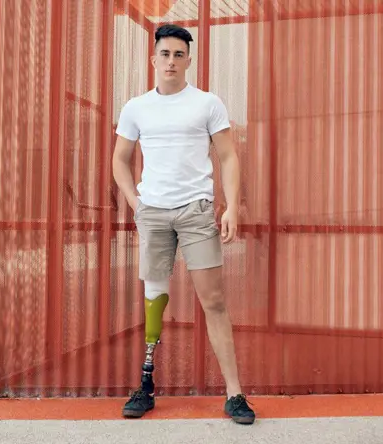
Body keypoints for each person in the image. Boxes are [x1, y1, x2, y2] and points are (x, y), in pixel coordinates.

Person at [111, 23, 255, 425]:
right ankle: (145, 385)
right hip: (154, 213)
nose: (171, 61)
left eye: (178, 54)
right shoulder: (136, 107)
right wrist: (136, 204)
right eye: (165, 54)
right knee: (154, 300)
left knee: (214, 301)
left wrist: (231, 207)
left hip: (195, 211)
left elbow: (228, 156)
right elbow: (119, 159)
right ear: (153, 59)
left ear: (188, 60)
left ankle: (235, 393)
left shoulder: (207, 103)